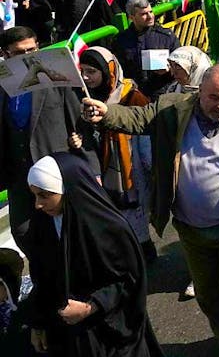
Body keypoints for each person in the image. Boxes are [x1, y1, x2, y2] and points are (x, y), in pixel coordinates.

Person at [82, 65, 219, 357]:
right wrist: (106, 113)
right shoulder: (172, 109)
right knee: (208, 293)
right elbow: (137, 118)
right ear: (200, 92)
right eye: (215, 97)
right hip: (190, 228)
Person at [23, 153, 163, 357]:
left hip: (110, 334)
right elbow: (42, 278)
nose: (38, 204)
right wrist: (38, 325)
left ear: (67, 190)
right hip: (67, 336)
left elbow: (129, 280)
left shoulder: (108, 228)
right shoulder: (42, 224)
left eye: (45, 195)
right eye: (34, 195)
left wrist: (91, 307)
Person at [0, 26, 97, 257]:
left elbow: (79, 124)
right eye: (20, 53)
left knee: (67, 235)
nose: (28, 57)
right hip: (19, 177)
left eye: (32, 50)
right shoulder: (3, 85)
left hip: (55, 171)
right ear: (5, 54)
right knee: (24, 233)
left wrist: (92, 168)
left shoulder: (55, 77)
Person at [78, 47, 156, 260]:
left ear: (108, 70)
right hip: (101, 168)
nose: (86, 77)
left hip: (131, 168)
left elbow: (146, 136)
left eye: (92, 71)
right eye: (82, 71)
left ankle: (143, 256)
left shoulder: (132, 96)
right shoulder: (85, 97)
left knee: (135, 217)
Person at [113, 0, 181, 99]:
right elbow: (118, 69)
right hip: (134, 95)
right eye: (144, 14)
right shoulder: (121, 41)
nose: (150, 16)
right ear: (131, 17)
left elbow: (181, 63)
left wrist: (170, 69)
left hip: (163, 93)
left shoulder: (166, 36)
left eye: (151, 12)